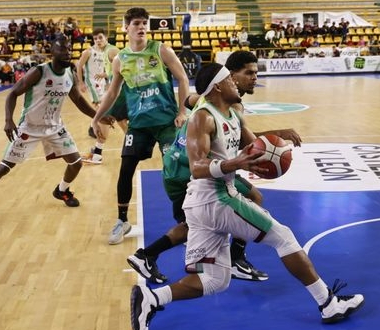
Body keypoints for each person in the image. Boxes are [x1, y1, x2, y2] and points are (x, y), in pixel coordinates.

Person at [129, 63, 364, 330]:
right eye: (230, 79)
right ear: (217, 86)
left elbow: (252, 145)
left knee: (215, 280)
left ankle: (152, 299)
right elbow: (197, 166)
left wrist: (277, 140)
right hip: (215, 197)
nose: (236, 83)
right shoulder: (203, 117)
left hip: (203, 204)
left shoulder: (233, 116)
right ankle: (328, 303)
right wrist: (233, 163)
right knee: (284, 237)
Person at [127, 50, 303, 284]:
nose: (254, 78)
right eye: (248, 73)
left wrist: (184, 115)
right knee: (245, 201)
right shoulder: (228, 106)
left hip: (176, 164)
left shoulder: (212, 97)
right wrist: (277, 135)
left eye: (256, 73)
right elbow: (242, 139)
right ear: (230, 76)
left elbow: (192, 101)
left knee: (196, 222)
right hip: (188, 170)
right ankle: (236, 259)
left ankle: (146, 255)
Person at [0, 37, 108, 223]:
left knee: (76, 163)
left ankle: (61, 190)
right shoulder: (39, 72)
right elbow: (13, 93)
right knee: (4, 168)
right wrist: (8, 120)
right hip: (29, 127)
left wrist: (97, 116)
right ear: (52, 51)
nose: (67, 52)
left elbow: (78, 100)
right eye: (62, 49)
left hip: (55, 127)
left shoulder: (70, 73)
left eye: (69, 49)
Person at [91, 7, 190, 245]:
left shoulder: (161, 50)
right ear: (126, 28)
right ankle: (122, 220)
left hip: (167, 122)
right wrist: (96, 118)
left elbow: (183, 78)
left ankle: (186, 222)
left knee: (176, 171)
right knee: (126, 168)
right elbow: (112, 92)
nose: (142, 27)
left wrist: (182, 111)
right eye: (136, 23)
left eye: (145, 23)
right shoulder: (120, 60)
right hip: (139, 124)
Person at [76, 28, 122, 164]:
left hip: (105, 84)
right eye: (95, 38)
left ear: (106, 38)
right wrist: (81, 83)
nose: (98, 40)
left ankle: (97, 148)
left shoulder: (108, 52)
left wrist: (107, 76)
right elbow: (79, 66)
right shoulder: (88, 52)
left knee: (108, 116)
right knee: (104, 115)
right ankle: (97, 150)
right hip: (93, 84)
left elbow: (112, 70)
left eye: (100, 38)